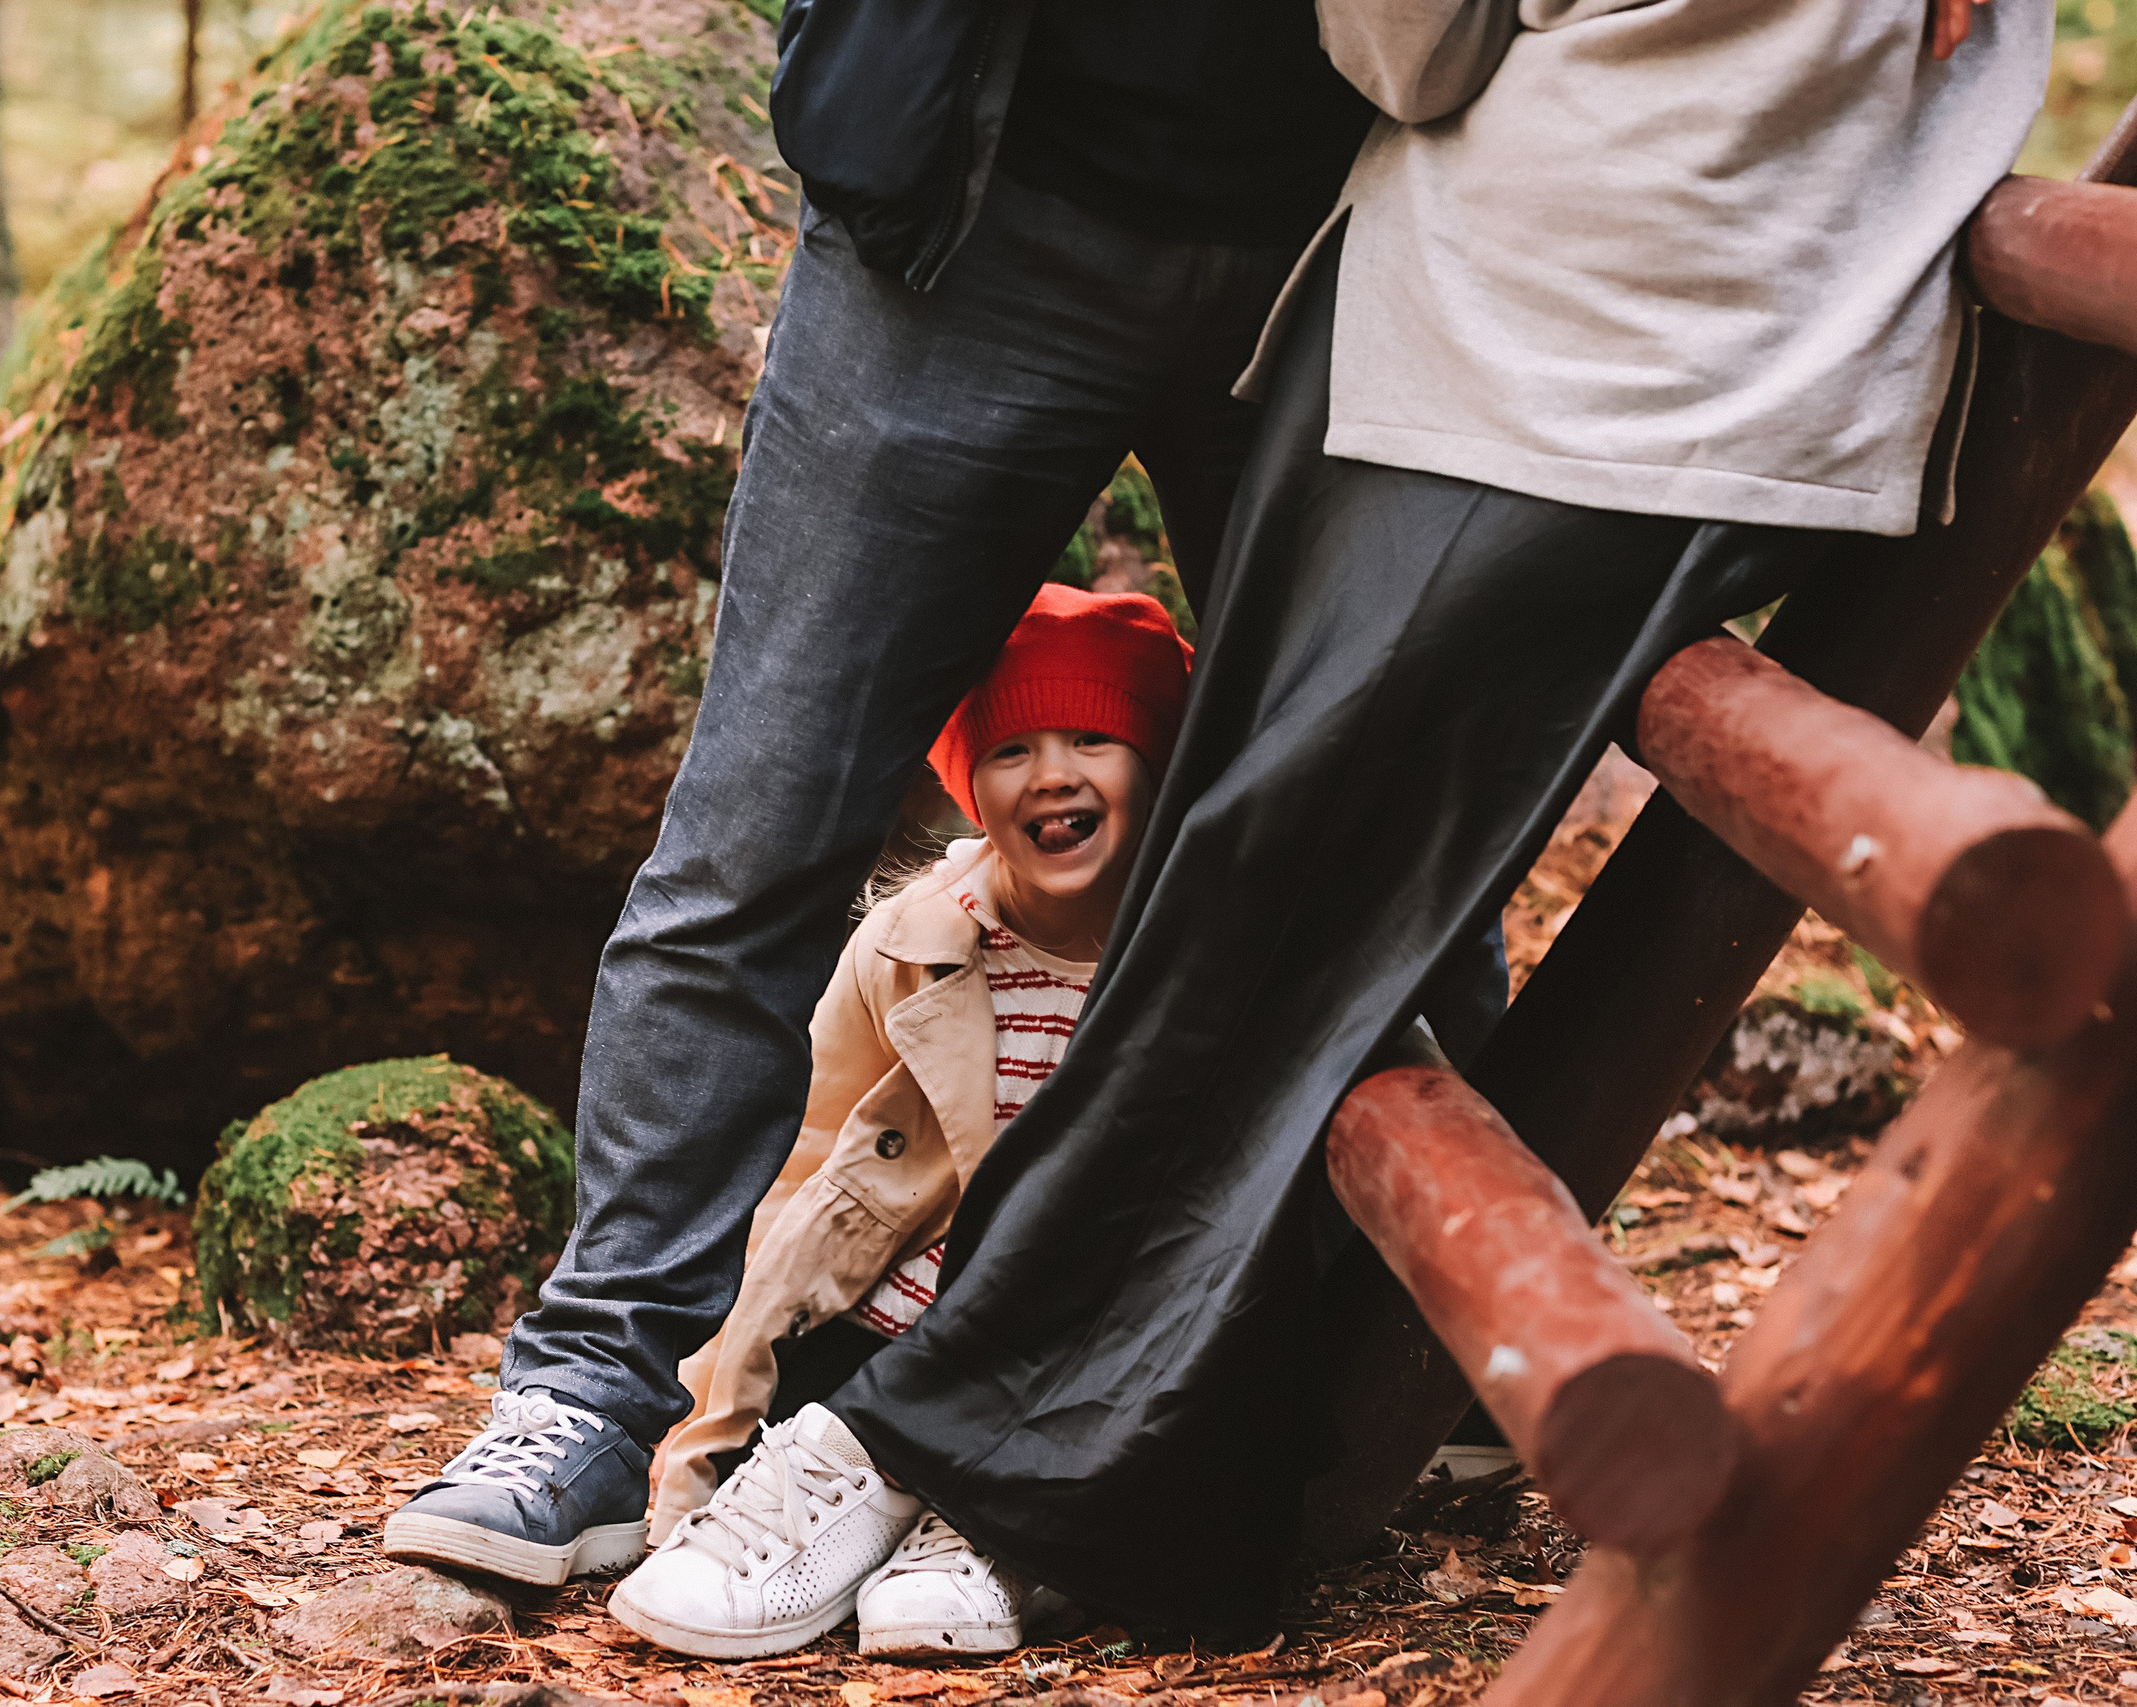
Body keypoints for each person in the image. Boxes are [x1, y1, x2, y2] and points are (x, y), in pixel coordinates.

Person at [601, 0, 2051, 1644]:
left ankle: (969, 1442)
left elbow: (1404, 53)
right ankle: (990, 1433)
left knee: (1270, 889)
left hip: (1525, 332)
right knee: (1261, 877)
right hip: (1691, 342)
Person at [378, 0, 1513, 1591]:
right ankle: (585, 1393)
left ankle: (1447, 1351)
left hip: (1342, 222)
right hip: (968, 220)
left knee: (1403, 816)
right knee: (756, 834)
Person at [602, 585, 1188, 1659]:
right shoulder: (909, 944)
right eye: (1010, 749)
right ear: (971, 789)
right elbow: (802, 1172)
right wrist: (707, 1435)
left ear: (1157, 765)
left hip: (1082, 1346)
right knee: (848, 1384)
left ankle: (991, 1528)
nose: (1052, 772)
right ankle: (842, 1499)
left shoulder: (1200, 954)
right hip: (890, 1330)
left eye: (1093, 738)